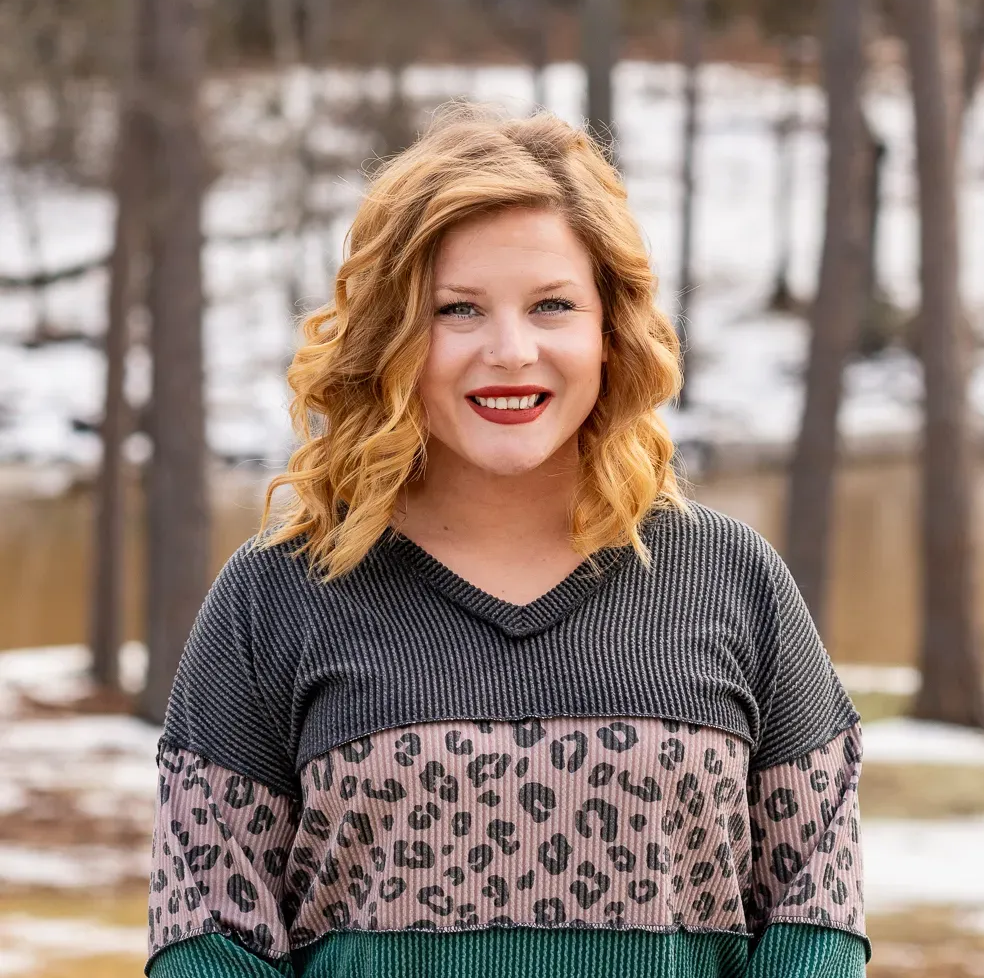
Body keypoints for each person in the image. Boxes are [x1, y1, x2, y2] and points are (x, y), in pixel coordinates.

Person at [145, 105, 869, 978]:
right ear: (392, 339)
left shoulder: (731, 581)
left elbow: (814, 918)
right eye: (458, 310)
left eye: (553, 306)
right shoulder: (277, 596)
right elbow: (205, 940)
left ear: (611, 330)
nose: (511, 350)